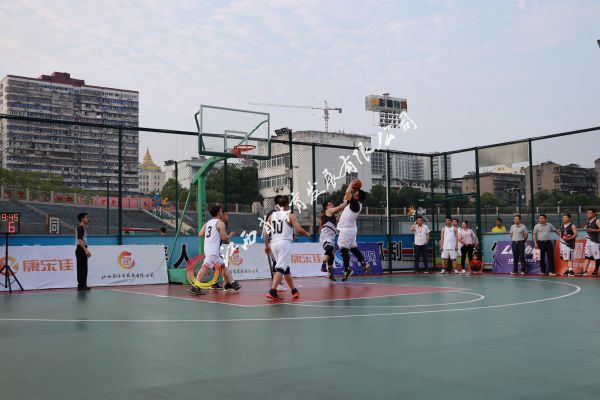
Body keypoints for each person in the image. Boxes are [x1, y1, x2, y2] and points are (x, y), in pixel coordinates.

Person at [265, 195, 311, 301]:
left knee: (285, 268)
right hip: (284, 242)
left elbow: (266, 231)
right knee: (281, 268)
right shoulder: (290, 216)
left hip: (274, 243)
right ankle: (272, 291)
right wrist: (307, 233)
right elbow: (298, 229)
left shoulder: (271, 216)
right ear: (288, 204)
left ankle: (294, 290)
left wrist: (266, 244)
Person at [190, 205, 240, 295]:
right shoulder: (220, 223)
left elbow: (200, 234)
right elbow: (224, 238)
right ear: (218, 213)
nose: (222, 212)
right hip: (213, 251)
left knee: (223, 266)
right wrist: (230, 235)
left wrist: (211, 235)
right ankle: (195, 286)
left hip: (209, 250)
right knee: (204, 268)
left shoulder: (208, 223)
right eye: (221, 211)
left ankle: (231, 283)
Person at [336, 180, 371, 281]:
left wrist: (351, 184)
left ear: (358, 197)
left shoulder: (355, 204)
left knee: (343, 248)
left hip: (347, 229)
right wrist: (351, 190)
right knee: (353, 247)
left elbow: (347, 192)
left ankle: (347, 269)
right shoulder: (356, 204)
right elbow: (345, 197)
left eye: (356, 193)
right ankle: (364, 263)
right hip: (351, 229)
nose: (355, 192)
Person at [263, 195, 287, 291]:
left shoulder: (277, 213)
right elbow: (266, 228)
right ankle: (277, 284)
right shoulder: (274, 214)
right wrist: (266, 242)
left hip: (275, 241)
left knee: (278, 262)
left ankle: (277, 283)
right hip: (273, 241)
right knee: (278, 262)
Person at [319, 200, 343, 281]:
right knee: (329, 248)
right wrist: (347, 202)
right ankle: (323, 265)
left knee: (331, 256)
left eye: (332, 204)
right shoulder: (328, 211)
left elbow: (335, 223)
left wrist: (339, 215)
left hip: (331, 237)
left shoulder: (331, 215)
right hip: (325, 237)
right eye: (329, 204)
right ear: (326, 207)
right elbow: (340, 207)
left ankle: (329, 274)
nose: (332, 205)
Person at [581, 208, 600, 276]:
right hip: (588, 241)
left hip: (595, 242)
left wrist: (593, 230)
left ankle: (596, 270)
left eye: (589, 213)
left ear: (594, 214)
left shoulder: (597, 220)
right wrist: (586, 228)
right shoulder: (588, 221)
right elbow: (588, 228)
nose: (588, 214)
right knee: (587, 257)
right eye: (587, 213)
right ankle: (584, 271)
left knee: (597, 257)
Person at [75, 212, 91, 291]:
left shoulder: (83, 228)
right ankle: (81, 286)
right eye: (86, 217)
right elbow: (80, 240)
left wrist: (86, 250)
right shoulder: (80, 228)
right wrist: (85, 250)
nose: (88, 219)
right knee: (82, 268)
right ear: (82, 219)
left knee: (83, 268)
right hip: (80, 249)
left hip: (82, 249)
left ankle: (83, 285)